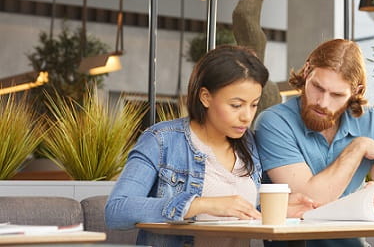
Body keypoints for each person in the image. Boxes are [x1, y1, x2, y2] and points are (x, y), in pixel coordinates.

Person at [105, 45, 316, 247]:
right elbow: (117, 210)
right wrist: (201, 204)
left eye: (253, 105)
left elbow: (241, 213)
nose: (247, 116)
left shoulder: (249, 144)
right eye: (236, 105)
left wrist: (278, 209)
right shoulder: (162, 140)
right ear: (205, 97)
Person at [253, 39, 374, 247]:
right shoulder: (274, 122)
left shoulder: (373, 123)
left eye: (337, 95)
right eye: (317, 87)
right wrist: (358, 146)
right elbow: (312, 200)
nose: (322, 103)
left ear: (356, 91)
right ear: (307, 71)